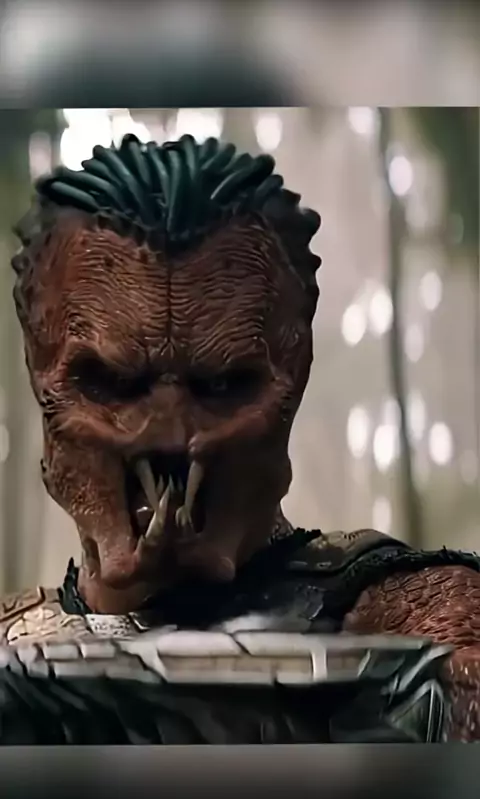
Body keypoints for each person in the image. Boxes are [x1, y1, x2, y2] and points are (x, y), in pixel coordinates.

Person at [1, 133, 478, 743]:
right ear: (40, 373)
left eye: (222, 384)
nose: (171, 437)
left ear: (294, 373)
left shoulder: (425, 620)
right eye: (116, 383)